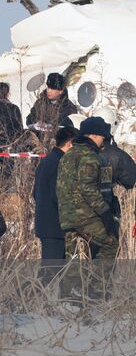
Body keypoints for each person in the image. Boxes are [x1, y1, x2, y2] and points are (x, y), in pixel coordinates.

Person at [57, 116, 118, 306]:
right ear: (94, 135)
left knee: (74, 255)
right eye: (102, 136)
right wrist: (106, 213)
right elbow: (88, 188)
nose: (103, 141)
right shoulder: (90, 157)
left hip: (67, 216)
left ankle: (68, 296)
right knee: (110, 243)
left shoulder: (67, 156)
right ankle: (97, 289)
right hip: (86, 215)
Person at [32, 124, 77, 286]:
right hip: (55, 225)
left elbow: (35, 193)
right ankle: (13, 301)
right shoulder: (60, 163)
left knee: (52, 271)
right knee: (49, 273)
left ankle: (23, 302)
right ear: (70, 144)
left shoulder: (46, 161)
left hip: (46, 223)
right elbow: (59, 196)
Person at [27, 73, 79, 148]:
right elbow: (29, 119)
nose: (49, 91)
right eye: (48, 88)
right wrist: (36, 123)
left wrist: (49, 127)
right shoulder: (41, 102)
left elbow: (70, 130)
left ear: (60, 91)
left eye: (52, 89)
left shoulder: (69, 108)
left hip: (58, 145)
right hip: (37, 143)